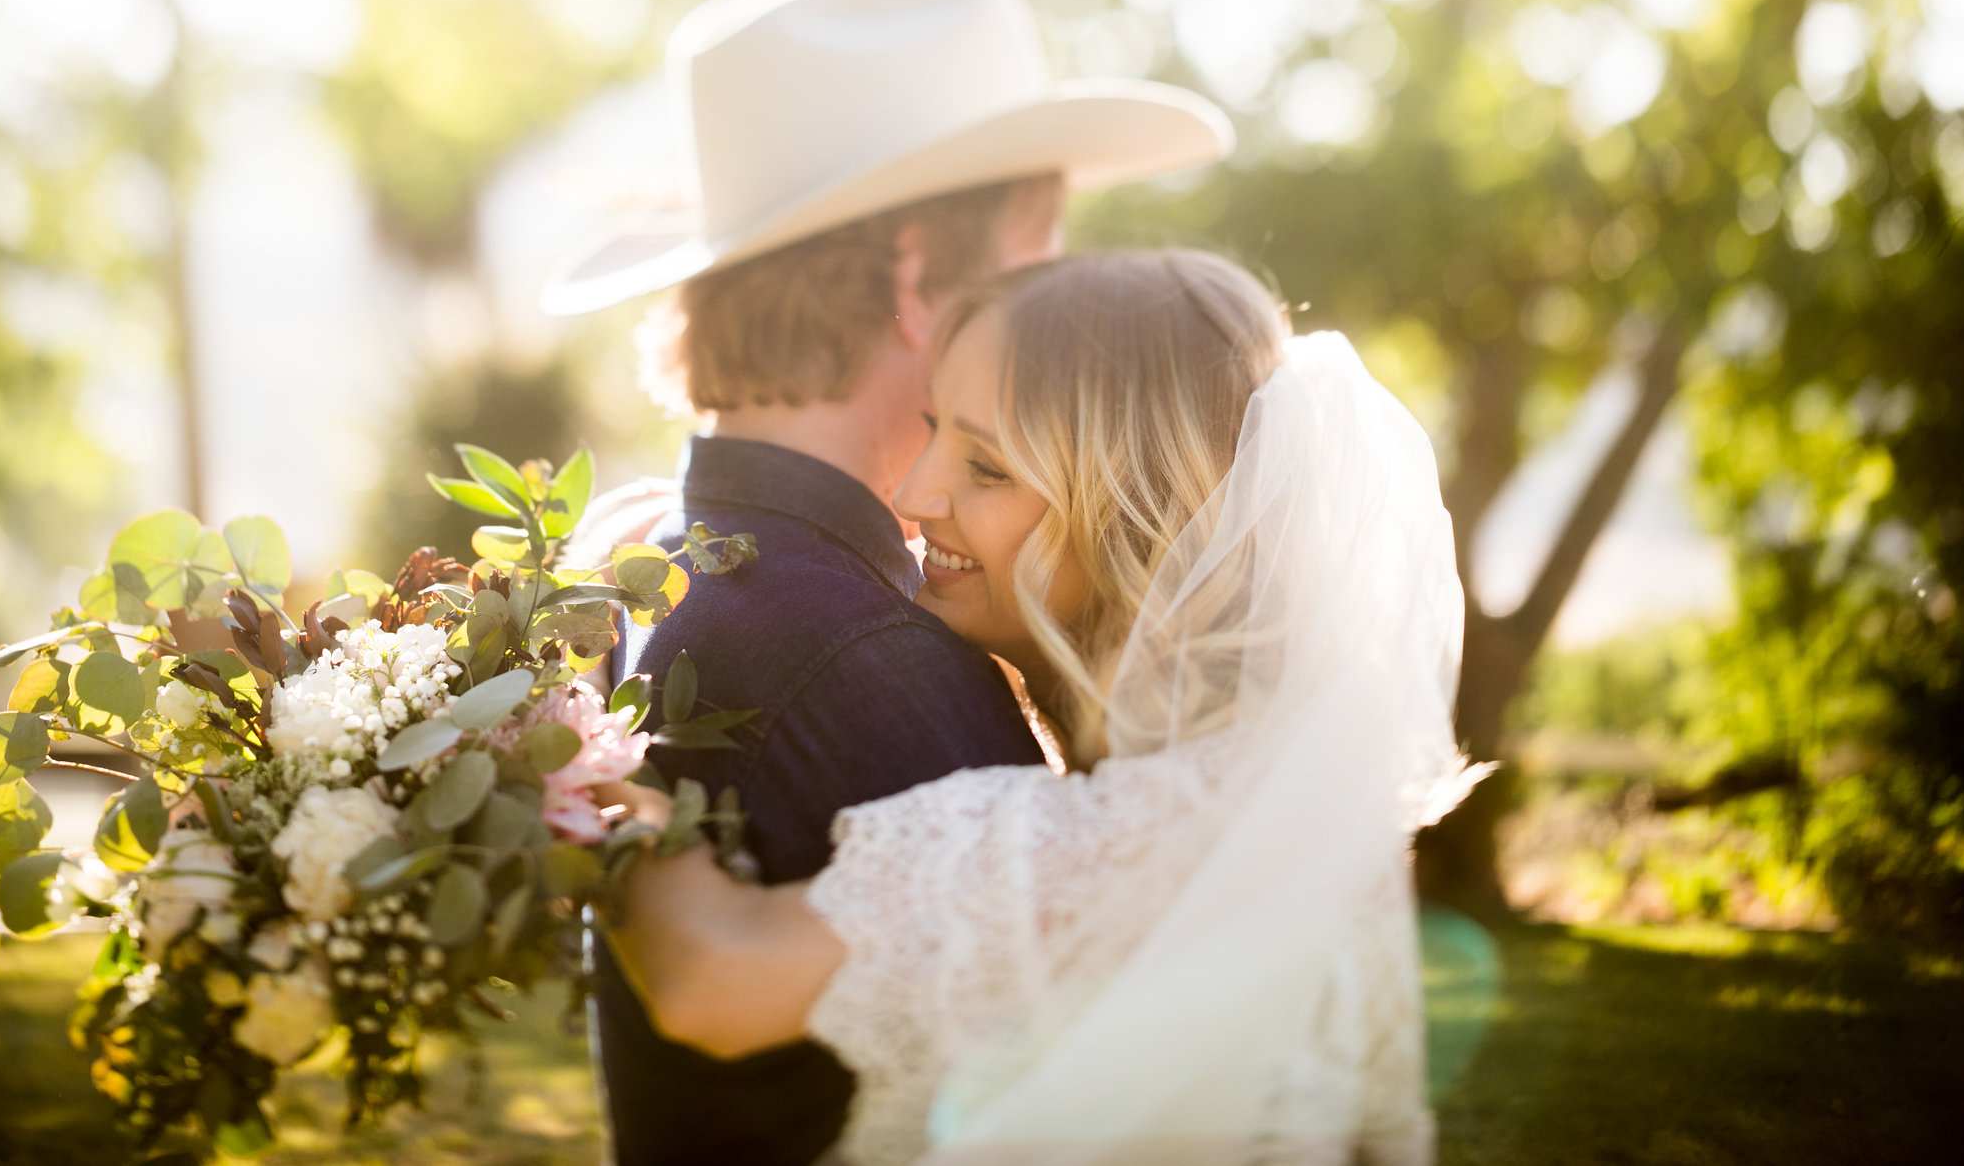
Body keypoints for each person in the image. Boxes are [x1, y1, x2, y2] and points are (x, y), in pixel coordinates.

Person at [544, 0, 1233, 1166]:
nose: (1052, 306)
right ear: (918, 274)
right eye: (1040, 252)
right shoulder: (870, 659)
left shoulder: (654, 557)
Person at [596, 250, 1479, 1165]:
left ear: (1132, 512)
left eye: (987, 466)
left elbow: (710, 976)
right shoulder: (1281, 790)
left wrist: (572, 714)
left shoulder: (1147, 834)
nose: (913, 494)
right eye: (934, 426)